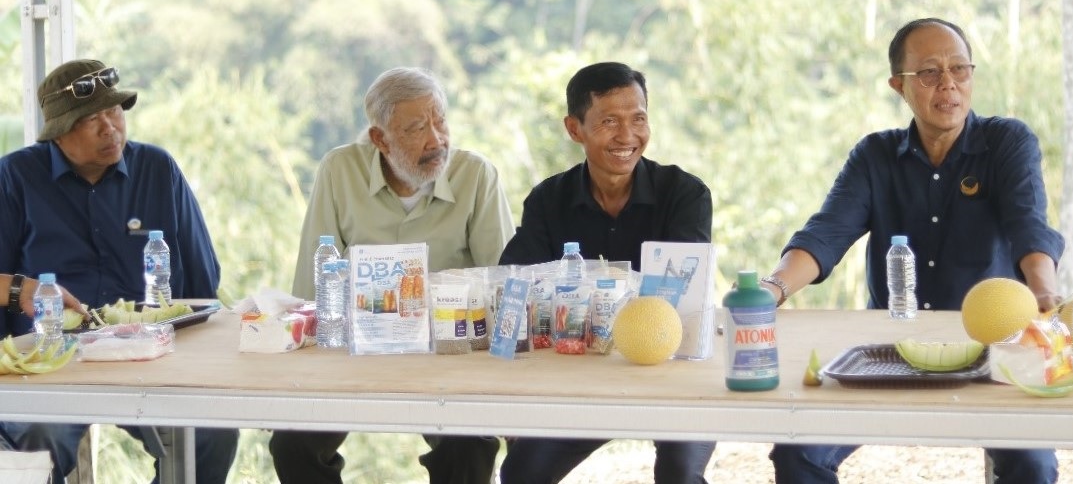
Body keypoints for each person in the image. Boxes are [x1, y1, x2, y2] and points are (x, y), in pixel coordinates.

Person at [762, 18, 1065, 484]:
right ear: (898, 86)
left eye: (959, 69)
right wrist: (772, 289)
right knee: (797, 450)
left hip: (994, 349)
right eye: (929, 72)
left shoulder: (1007, 141)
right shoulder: (875, 155)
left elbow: (1029, 226)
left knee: (1033, 465)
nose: (948, 84)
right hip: (889, 350)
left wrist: (1044, 292)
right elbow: (825, 234)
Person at [268, 66, 516, 484]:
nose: (436, 139)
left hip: (448, 353)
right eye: (418, 127)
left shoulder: (476, 175)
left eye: (440, 121)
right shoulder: (339, 170)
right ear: (380, 139)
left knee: (470, 445)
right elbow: (314, 283)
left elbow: (501, 287)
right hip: (356, 351)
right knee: (292, 444)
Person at [0, 59, 239, 483]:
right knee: (37, 436)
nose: (109, 127)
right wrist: (23, 290)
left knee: (212, 434)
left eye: (114, 111)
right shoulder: (15, 177)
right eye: (90, 119)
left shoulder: (157, 169)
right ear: (58, 130)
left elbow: (202, 279)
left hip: (150, 354)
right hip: (50, 360)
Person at [498, 61, 716, 484]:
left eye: (638, 119)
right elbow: (515, 281)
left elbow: (682, 288)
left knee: (680, 475)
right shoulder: (548, 200)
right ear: (574, 128)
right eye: (609, 122)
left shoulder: (685, 194)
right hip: (579, 381)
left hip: (670, 377)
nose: (627, 136)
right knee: (521, 473)